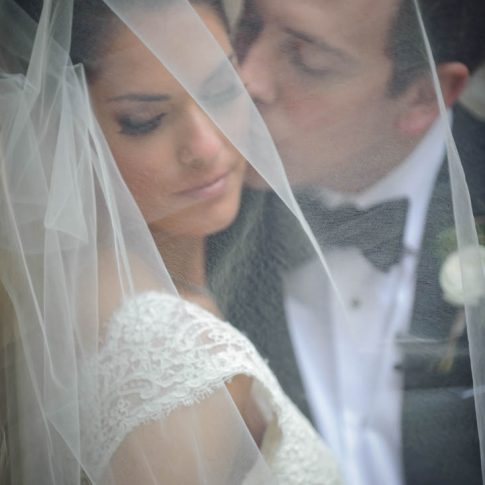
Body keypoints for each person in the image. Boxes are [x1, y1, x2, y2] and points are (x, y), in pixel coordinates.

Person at [0, 0, 342, 483]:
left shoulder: (83, 306)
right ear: (61, 132)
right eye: (145, 119)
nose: (206, 146)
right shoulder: (174, 366)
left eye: (222, 88)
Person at [211, 0, 485, 484]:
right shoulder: (191, 213)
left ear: (423, 96)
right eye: (248, 27)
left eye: (307, 59)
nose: (247, 78)